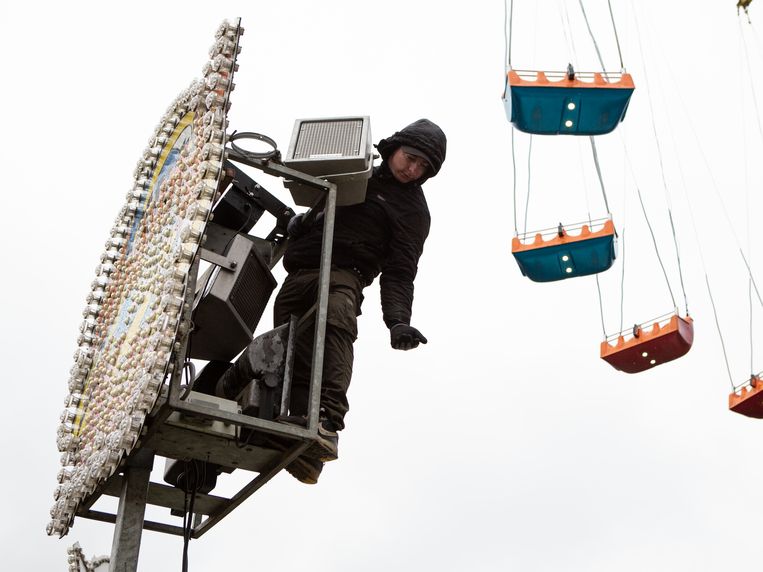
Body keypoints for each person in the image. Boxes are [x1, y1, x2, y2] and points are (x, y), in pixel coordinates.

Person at [273, 118, 447, 484]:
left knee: (334, 326)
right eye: (410, 158)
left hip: (344, 276)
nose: (412, 169)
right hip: (298, 274)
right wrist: (302, 223)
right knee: (283, 350)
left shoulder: (412, 211)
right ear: (395, 148)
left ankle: (325, 425)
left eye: (422, 167)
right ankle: (286, 426)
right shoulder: (352, 169)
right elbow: (319, 203)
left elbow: (401, 271)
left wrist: (397, 320)